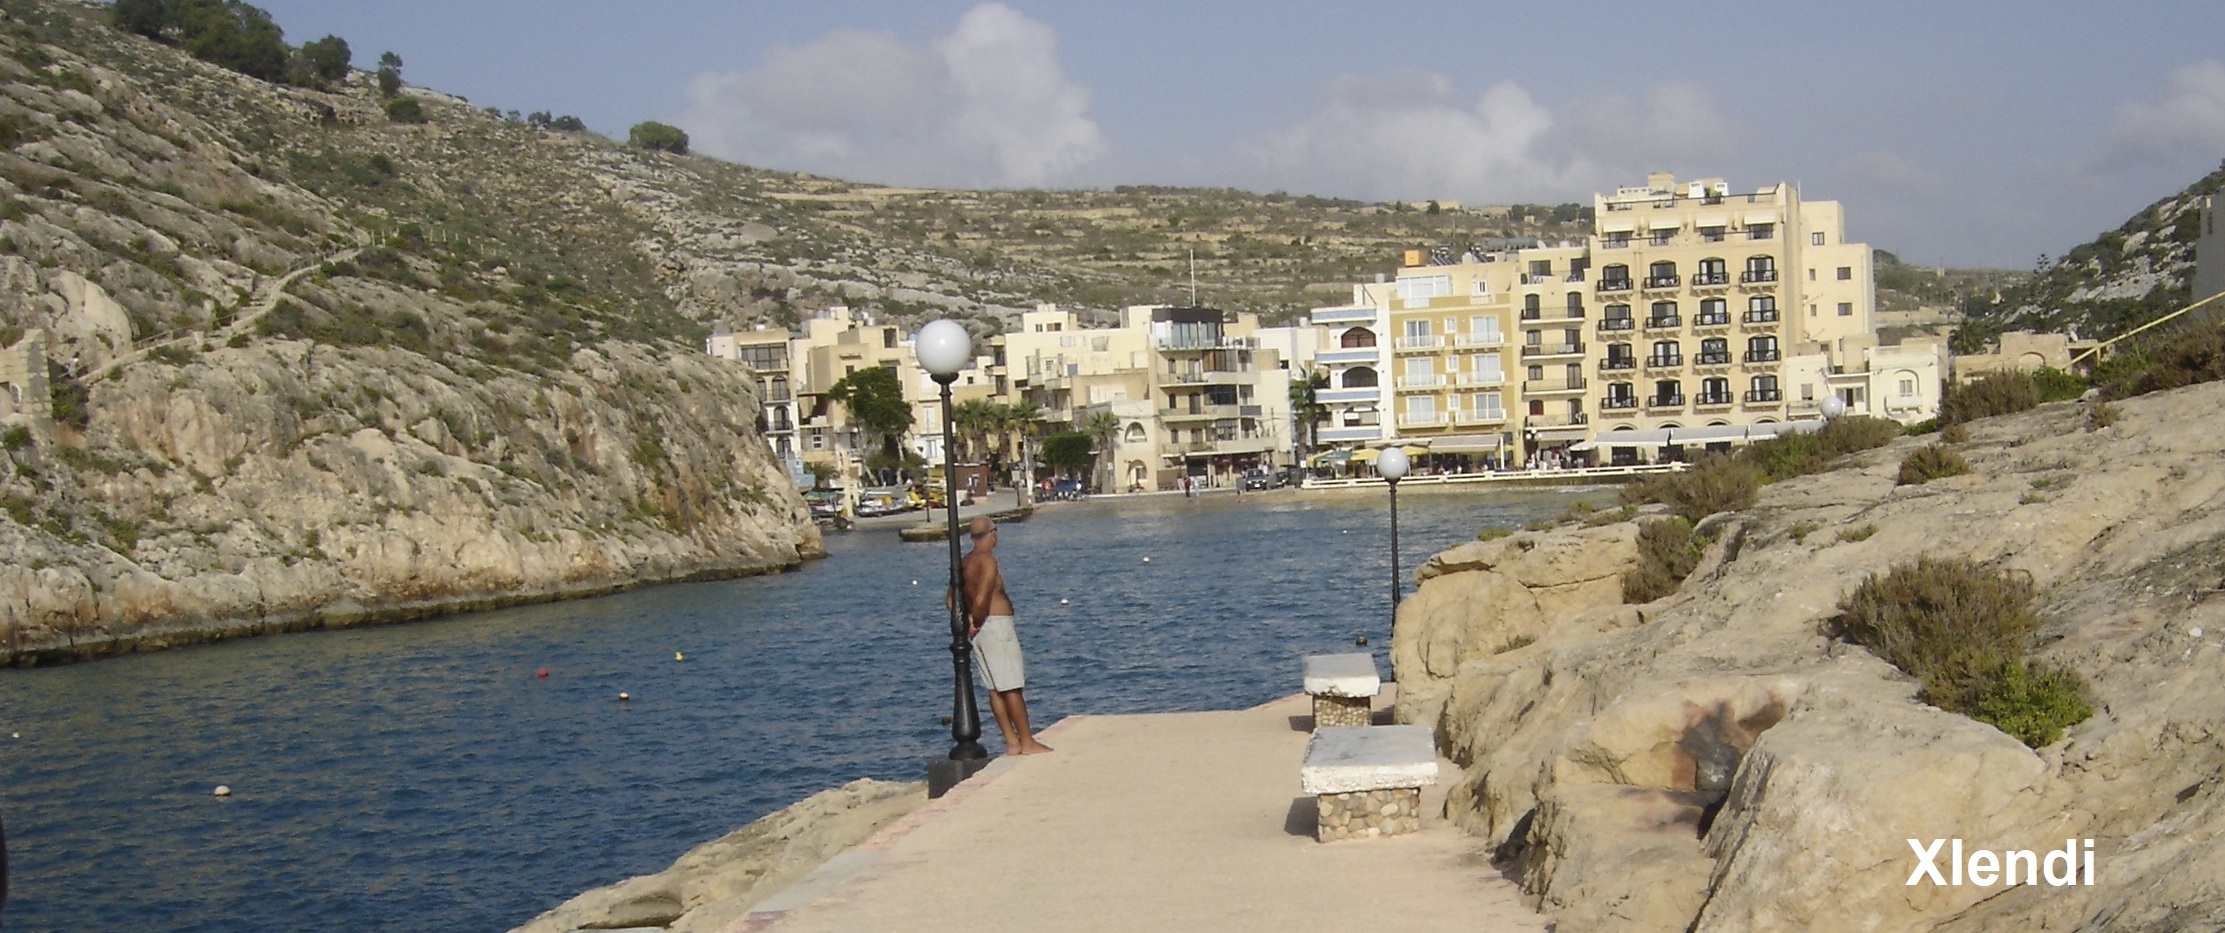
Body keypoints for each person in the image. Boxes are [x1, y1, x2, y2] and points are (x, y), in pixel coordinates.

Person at [957, 517, 1052, 754]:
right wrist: (977, 620)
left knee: (994, 688)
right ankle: (1027, 742)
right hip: (996, 627)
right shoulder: (987, 561)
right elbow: (981, 597)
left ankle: (1011, 741)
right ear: (993, 533)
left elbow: (951, 599)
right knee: (1012, 687)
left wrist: (969, 619)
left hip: (981, 633)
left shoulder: (964, 562)